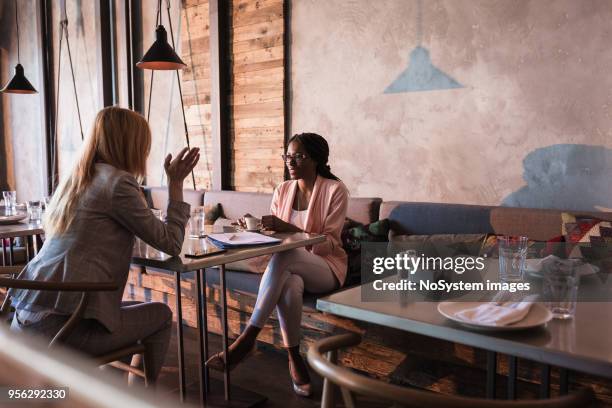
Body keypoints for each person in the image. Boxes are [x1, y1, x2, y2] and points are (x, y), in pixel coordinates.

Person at [9, 106, 199, 384]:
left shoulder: (78, 179)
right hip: (60, 331)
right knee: (161, 315)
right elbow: (170, 243)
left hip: (26, 322)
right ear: (129, 144)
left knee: (111, 313)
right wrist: (176, 183)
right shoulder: (119, 183)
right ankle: (134, 400)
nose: (145, 152)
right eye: (143, 144)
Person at [207, 133, 349, 397]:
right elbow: (275, 240)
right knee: (291, 284)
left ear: (317, 159)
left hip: (326, 267)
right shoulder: (283, 190)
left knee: (286, 255)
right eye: (288, 156)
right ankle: (294, 359)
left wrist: (290, 228)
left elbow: (329, 243)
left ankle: (247, 338)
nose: (290, 162)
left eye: (299, 156)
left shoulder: (335, 190)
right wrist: (256, 227)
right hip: (292, 268)